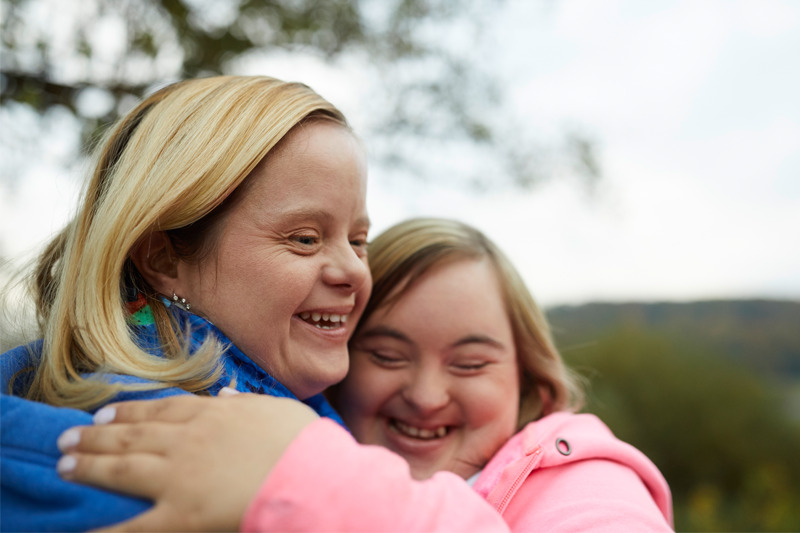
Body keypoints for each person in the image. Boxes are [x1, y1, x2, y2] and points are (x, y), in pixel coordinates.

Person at [56, 218, 674, 532]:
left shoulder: (583, 478)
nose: (426, 396)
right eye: (387, 355)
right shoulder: (251, 433)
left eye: (469, 364)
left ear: (532, 387)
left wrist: (312, 480)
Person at [1, 74, 377, 531]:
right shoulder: (141, 456)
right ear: (163, 259)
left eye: (358, 241)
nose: (354, 270)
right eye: (304, 238)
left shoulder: (315, 411)